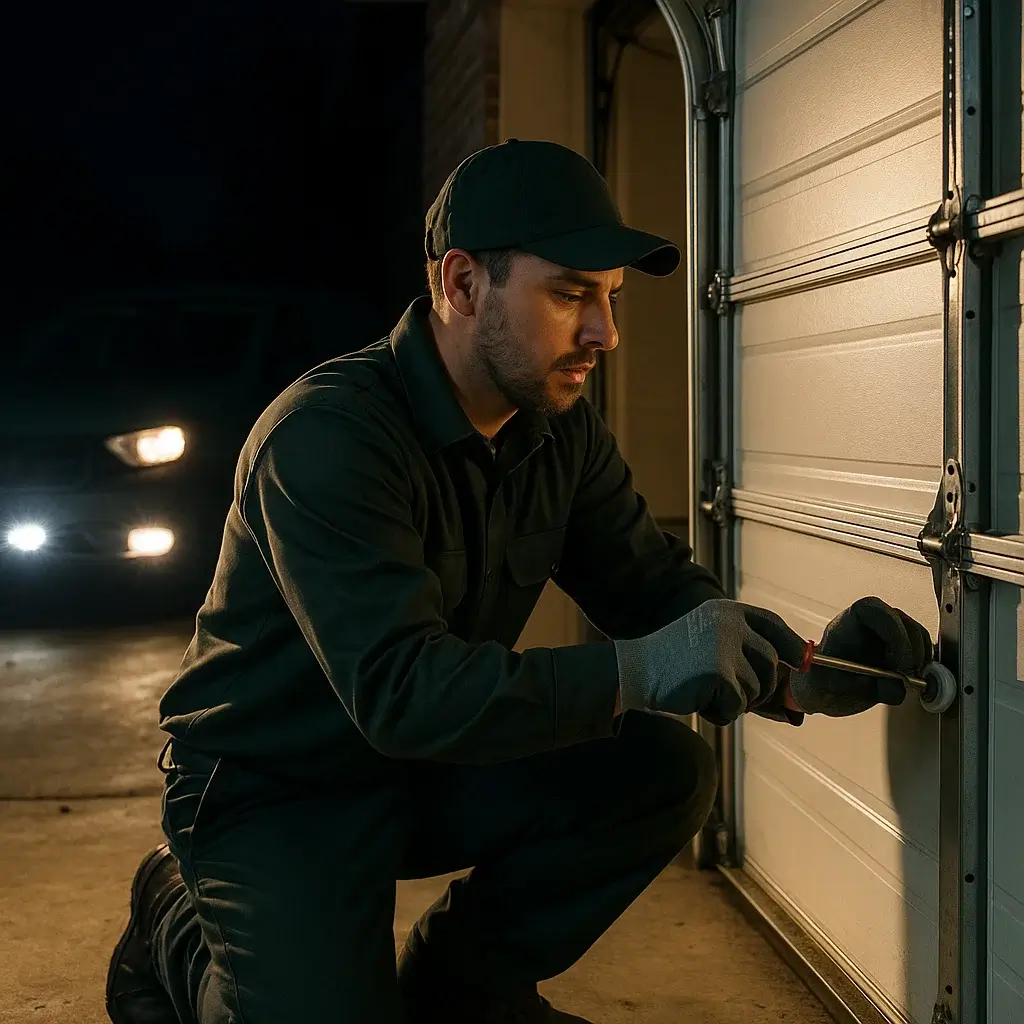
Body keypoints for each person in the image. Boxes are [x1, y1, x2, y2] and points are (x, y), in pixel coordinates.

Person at [106, 140, 934, 1024]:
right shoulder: (327, 439)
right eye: (570, 294)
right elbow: (401, 691)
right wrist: (641, 670)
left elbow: (649, 585)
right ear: (463, 285)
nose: (604, 334)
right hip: (276, 789)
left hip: (429, 764)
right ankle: (175, 919)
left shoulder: (556, 426)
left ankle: (462, 991)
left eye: (610, 298)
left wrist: (797, 671)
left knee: (660, 771)